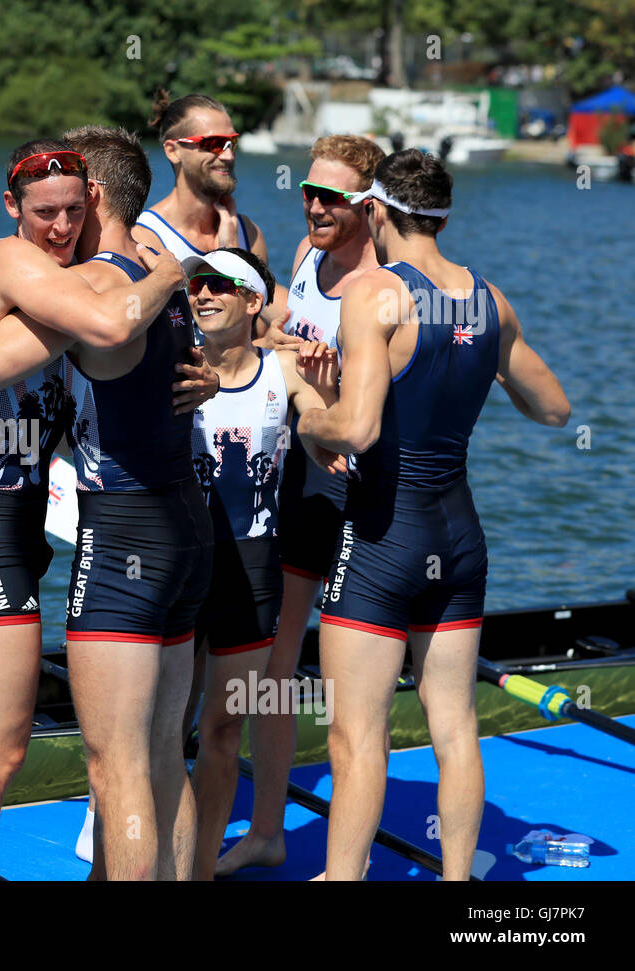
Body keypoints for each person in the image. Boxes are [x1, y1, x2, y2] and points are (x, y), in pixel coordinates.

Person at [0, 127, 218, 881]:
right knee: (162, 757)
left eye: (69, 206)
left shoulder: (101, 284)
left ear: (92, 196)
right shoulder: (153, 276)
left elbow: (97, 328)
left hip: (124, 532)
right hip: (188, 524)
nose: (58, 226)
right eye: (42, 210)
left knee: (116, 768)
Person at [296, 149, 570, 881]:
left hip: (384, 535)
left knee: (357, 737)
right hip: (460, 539)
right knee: (455, 727)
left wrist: (308, 419)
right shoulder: (492, 301)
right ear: (443, 215)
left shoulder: (375, 293)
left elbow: (354, 430)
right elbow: (554, 409)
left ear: (377, 211)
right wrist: (480, 368)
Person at [216, 134, 384, 877]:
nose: (314, 206)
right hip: (295, 482)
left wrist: (340, 375)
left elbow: (383, 397)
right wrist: (280, 341)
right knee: (276, 666)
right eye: (308, 193)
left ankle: (343, 855)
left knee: (350, 688)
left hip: (359, 490)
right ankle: (267, 829)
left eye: (332, 198)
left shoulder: (386, 287)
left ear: (370, 206)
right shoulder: (308, 258)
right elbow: (282, 335)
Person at [178, 247, 337, 881]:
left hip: (251, 571)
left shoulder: (286, 370)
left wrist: (327, 424)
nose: (203, 294)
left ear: (252, 304)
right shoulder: (171, 364)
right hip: (178, 566)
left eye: (221, 286)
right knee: (163, 737)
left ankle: (196, 868)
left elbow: (338, 414)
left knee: (219, 734)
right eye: (197, 285)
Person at [131, 90, 287, 332]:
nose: (228, 155)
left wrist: (233, 255)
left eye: (231, 142)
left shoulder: (248, 232)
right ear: (173, 151)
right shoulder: (144, 239)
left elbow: (263, 330)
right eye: (213, 144)